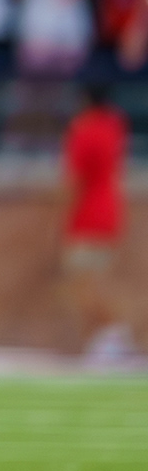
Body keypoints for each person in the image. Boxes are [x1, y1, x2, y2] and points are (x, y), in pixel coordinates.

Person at [60, 82, 131, 361]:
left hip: (88, 215)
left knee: (85, 284)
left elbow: (74, 180)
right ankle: (108, 338)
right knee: (95, 280)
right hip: (111, 210)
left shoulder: (84, 130)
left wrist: (61, 217)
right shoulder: (115, 128)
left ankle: (112, 336)